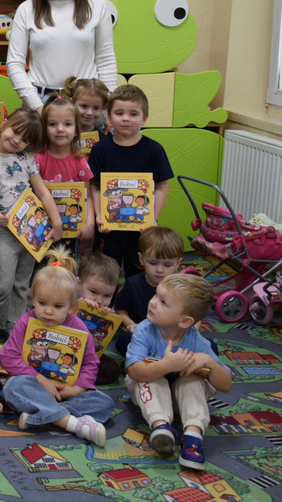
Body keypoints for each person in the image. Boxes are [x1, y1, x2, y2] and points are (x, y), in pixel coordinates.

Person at [0, 247, 113, 446]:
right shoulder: (26, 322)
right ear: (32, 297)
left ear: (72, 307)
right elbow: (8, 356)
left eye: (57, 306)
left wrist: (76, 390)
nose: (48, 311)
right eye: (41, 303)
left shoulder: (79, 327)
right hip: (35, 386)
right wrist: (41, 380)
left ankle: (41, 415)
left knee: (105, 403)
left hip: (66, 393)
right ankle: (71, 423)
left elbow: (90, 364)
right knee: (13, 387)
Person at [125, 273, 232, 468]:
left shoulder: (196, 340)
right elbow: (134, 372)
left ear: (184, 322)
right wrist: (166, 366)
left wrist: (208, 361)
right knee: (151, 375)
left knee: (193, 381)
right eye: (156, 295)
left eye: (164, 302)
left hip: (181, 399)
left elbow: (225, 384)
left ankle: (193, 436)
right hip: (152, 396)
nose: (153, 302)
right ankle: (161, 428)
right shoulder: (144, 330)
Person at [6, 0, 118, 112]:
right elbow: (14, 64)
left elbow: (106, 61)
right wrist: (37, 106)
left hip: (86, 106)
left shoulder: (97, 6)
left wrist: (110, 108)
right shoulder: (27, 9)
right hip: (40, 101)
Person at [0, 108, 64, 341]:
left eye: (25, 139)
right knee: (2, 283)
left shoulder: (27, 159)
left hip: (32, 231)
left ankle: (13, 322)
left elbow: (43, 192)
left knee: (21, 283)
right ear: (5, 124)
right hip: (5, 230)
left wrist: (56, 223)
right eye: (15, 131)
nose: (17, 140)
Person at [87, 84, 174, 278]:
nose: (126, 118)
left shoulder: (154, 150)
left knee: (139, 273)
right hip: (108, 228)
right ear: (109, 117)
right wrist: (100, 214)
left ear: (145, 118)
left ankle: (134, 306)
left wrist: (152, 217)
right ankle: (105, 307)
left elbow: (161, 186)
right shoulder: (100, 149)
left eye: (133, 114)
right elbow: (94, 185)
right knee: (105, 274)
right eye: (119, 113)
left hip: (141, 228)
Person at [35, 96, 95, 255]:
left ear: (76, 130)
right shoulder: (38, 159)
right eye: (53, 124)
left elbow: (87, 195)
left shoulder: (80, 161)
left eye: (67, 124)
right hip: (42, 227)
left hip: (72, 228)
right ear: (44, 128)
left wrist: (90, 222)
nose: (60, 129)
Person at [114, 227, 184, 359]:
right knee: (124, 340)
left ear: (177, 263)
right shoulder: (133, 284)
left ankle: (160, 360)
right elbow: (120, 309)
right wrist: (130, 324)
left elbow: (196, 316)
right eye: (153, 263)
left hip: (172, 337)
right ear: (141, 259)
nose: (159, 270)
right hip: (143, 336)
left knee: (210, 346)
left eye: (167, 265)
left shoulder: (182, 287)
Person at [78, 252, 124, 384]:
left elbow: (103, 341)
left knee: (112, 370)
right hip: (63, 348)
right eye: (93, 292)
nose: (99, 300)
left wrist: (108, 318)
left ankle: (79, 374)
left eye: (107, 295)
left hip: (89, 355)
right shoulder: (69, 299)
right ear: (78, 284)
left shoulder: (105, 310)